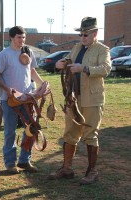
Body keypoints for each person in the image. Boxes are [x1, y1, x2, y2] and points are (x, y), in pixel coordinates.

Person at [48, 17, 111, 185]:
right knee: (70, 133)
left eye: (85, 34)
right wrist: (60, 64)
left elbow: (106, 69)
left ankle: (92, 172)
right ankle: (66, 169)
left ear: (95, 33)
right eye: (81, 34)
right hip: (73, 98)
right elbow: (68, 61)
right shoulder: (76, 47)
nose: (82, 37)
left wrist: (85, 68)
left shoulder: (102, 49)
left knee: (91, 134)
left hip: (92, 99)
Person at [0, 26, 48, 174]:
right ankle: (10, 163)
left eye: (24, 37)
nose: (22, 40)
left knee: (31, 129)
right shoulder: (4, 55)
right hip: (9, 99)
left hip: (27, 98)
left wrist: (42, 85)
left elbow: (32, 71)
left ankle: (25, 160)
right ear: (11, 38)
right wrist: (7, 89)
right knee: (10, 131)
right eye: (19, 37)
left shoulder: (28, 52)